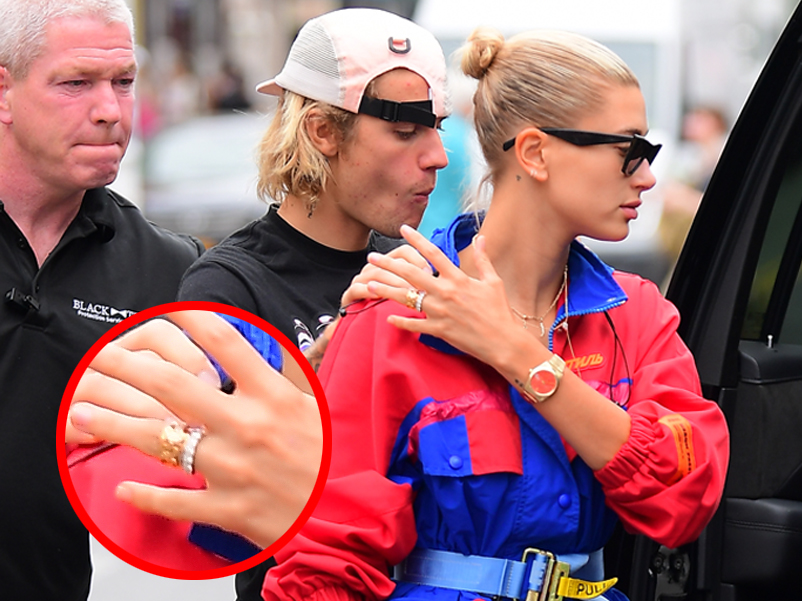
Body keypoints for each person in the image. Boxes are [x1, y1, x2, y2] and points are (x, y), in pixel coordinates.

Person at [259, 28, 730, 601]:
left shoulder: (636, 316)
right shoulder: (393, 314)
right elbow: (324, 567)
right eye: (628, 150)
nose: (648, 175)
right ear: (535, 153)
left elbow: (684, 497)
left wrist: (519, 354)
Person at [175, 9, 449, 597]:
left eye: (439, 129)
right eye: (406, 131)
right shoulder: (228, 286)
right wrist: (316, 373)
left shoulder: (417, 271)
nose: (437, 156)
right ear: (323, 131)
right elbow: (212, 526)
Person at [0, 0, 203, 598]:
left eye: (124, 82)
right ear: (3, 92)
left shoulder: (170, 269)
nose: (110, 110)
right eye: (76, 83)